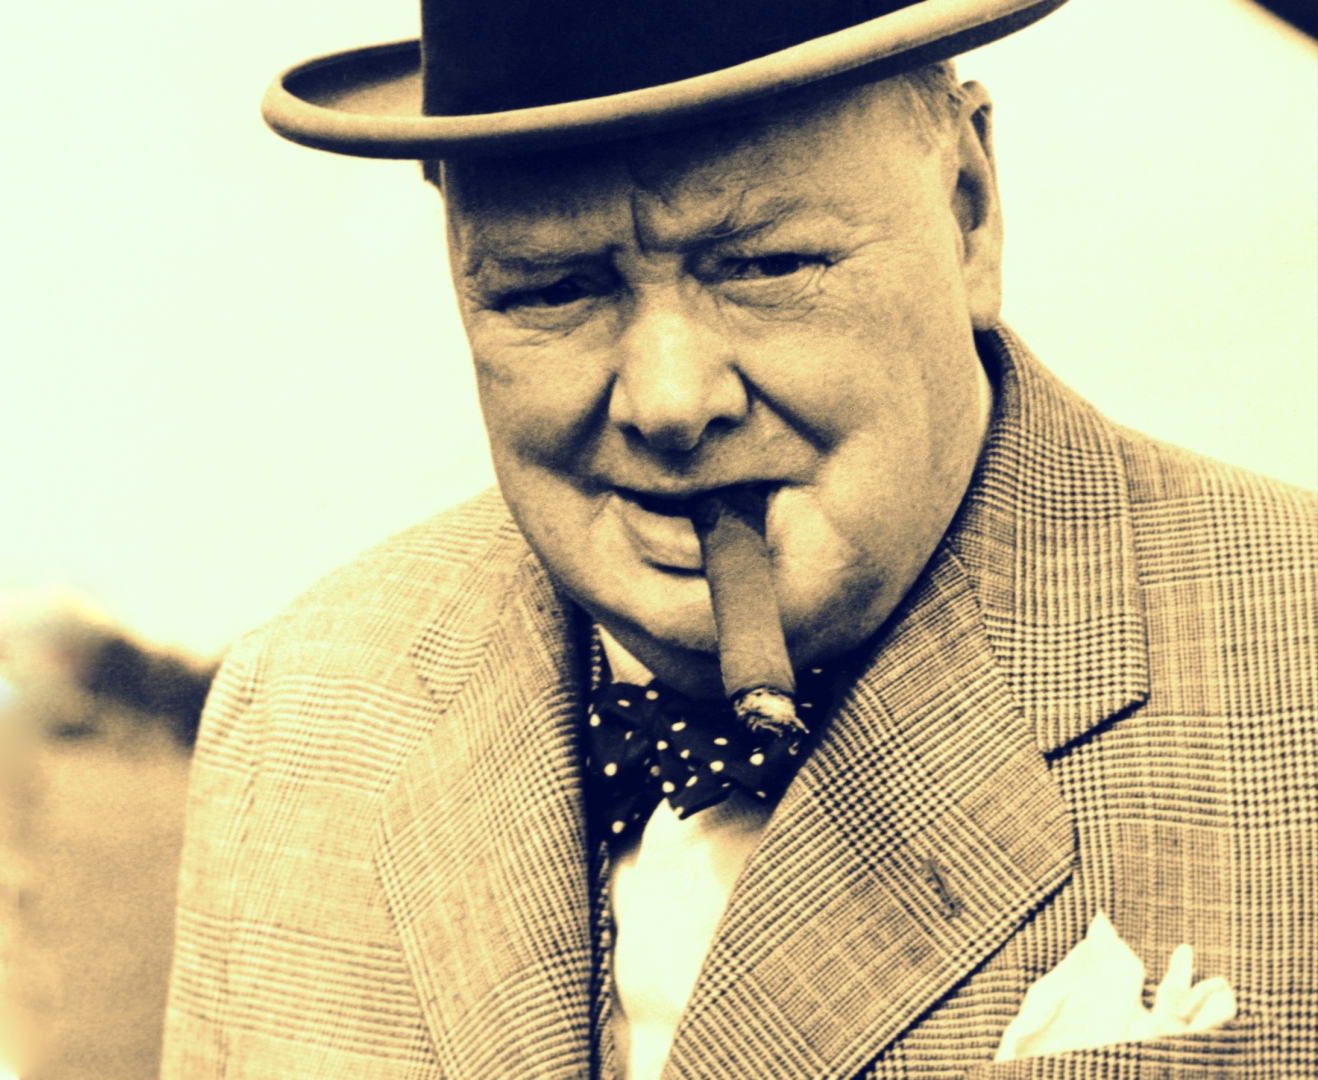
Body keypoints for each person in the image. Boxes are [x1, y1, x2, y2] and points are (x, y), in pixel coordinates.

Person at [162, 1, 1317, 1077]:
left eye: (767, 264)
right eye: (551, 288)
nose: (669, 402)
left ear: (967, 209)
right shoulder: (297, 714)